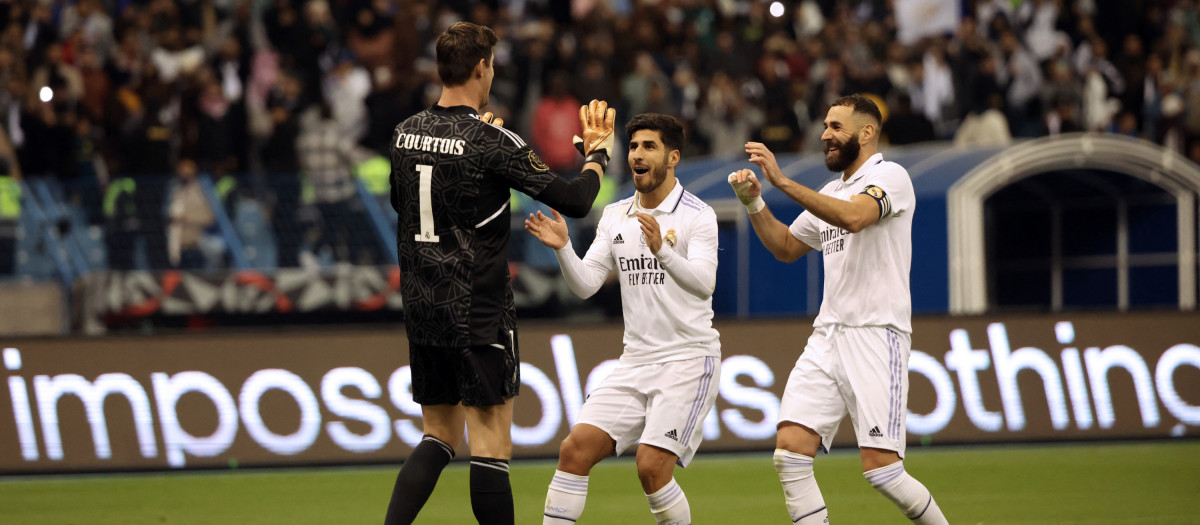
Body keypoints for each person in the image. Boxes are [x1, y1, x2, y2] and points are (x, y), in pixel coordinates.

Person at [384, 21, 616, 525]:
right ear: (480, 68)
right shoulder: (493, 141)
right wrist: (597, 155)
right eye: (492, 65)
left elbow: (401, 206)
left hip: (424, 307)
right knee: (490, 445)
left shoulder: (404, 134)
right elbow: (575, 202)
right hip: (478, 309)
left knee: (438, 435)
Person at [727, 94, 948, 524]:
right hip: (828, 336)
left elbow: (855, 218)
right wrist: (755, 203)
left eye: (835, 127)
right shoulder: (832, 190)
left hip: (876, 334)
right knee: (789, 453)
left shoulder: (892, 176)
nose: (825, 134)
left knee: (884, 471)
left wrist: (782, 181)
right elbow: (787, 247)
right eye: (825, 125)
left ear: (866, 133)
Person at [526, 113, 720, 525]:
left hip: (688, 360)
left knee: (651, 467)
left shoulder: (698, 215)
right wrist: (564, 249)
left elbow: (704, 284)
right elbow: (586, 285)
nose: (637, 154)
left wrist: (663, 251)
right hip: (634, 363)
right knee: (574, 450)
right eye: (633, 146)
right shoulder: (615, 215)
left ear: (672, 158)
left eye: (649, 147)